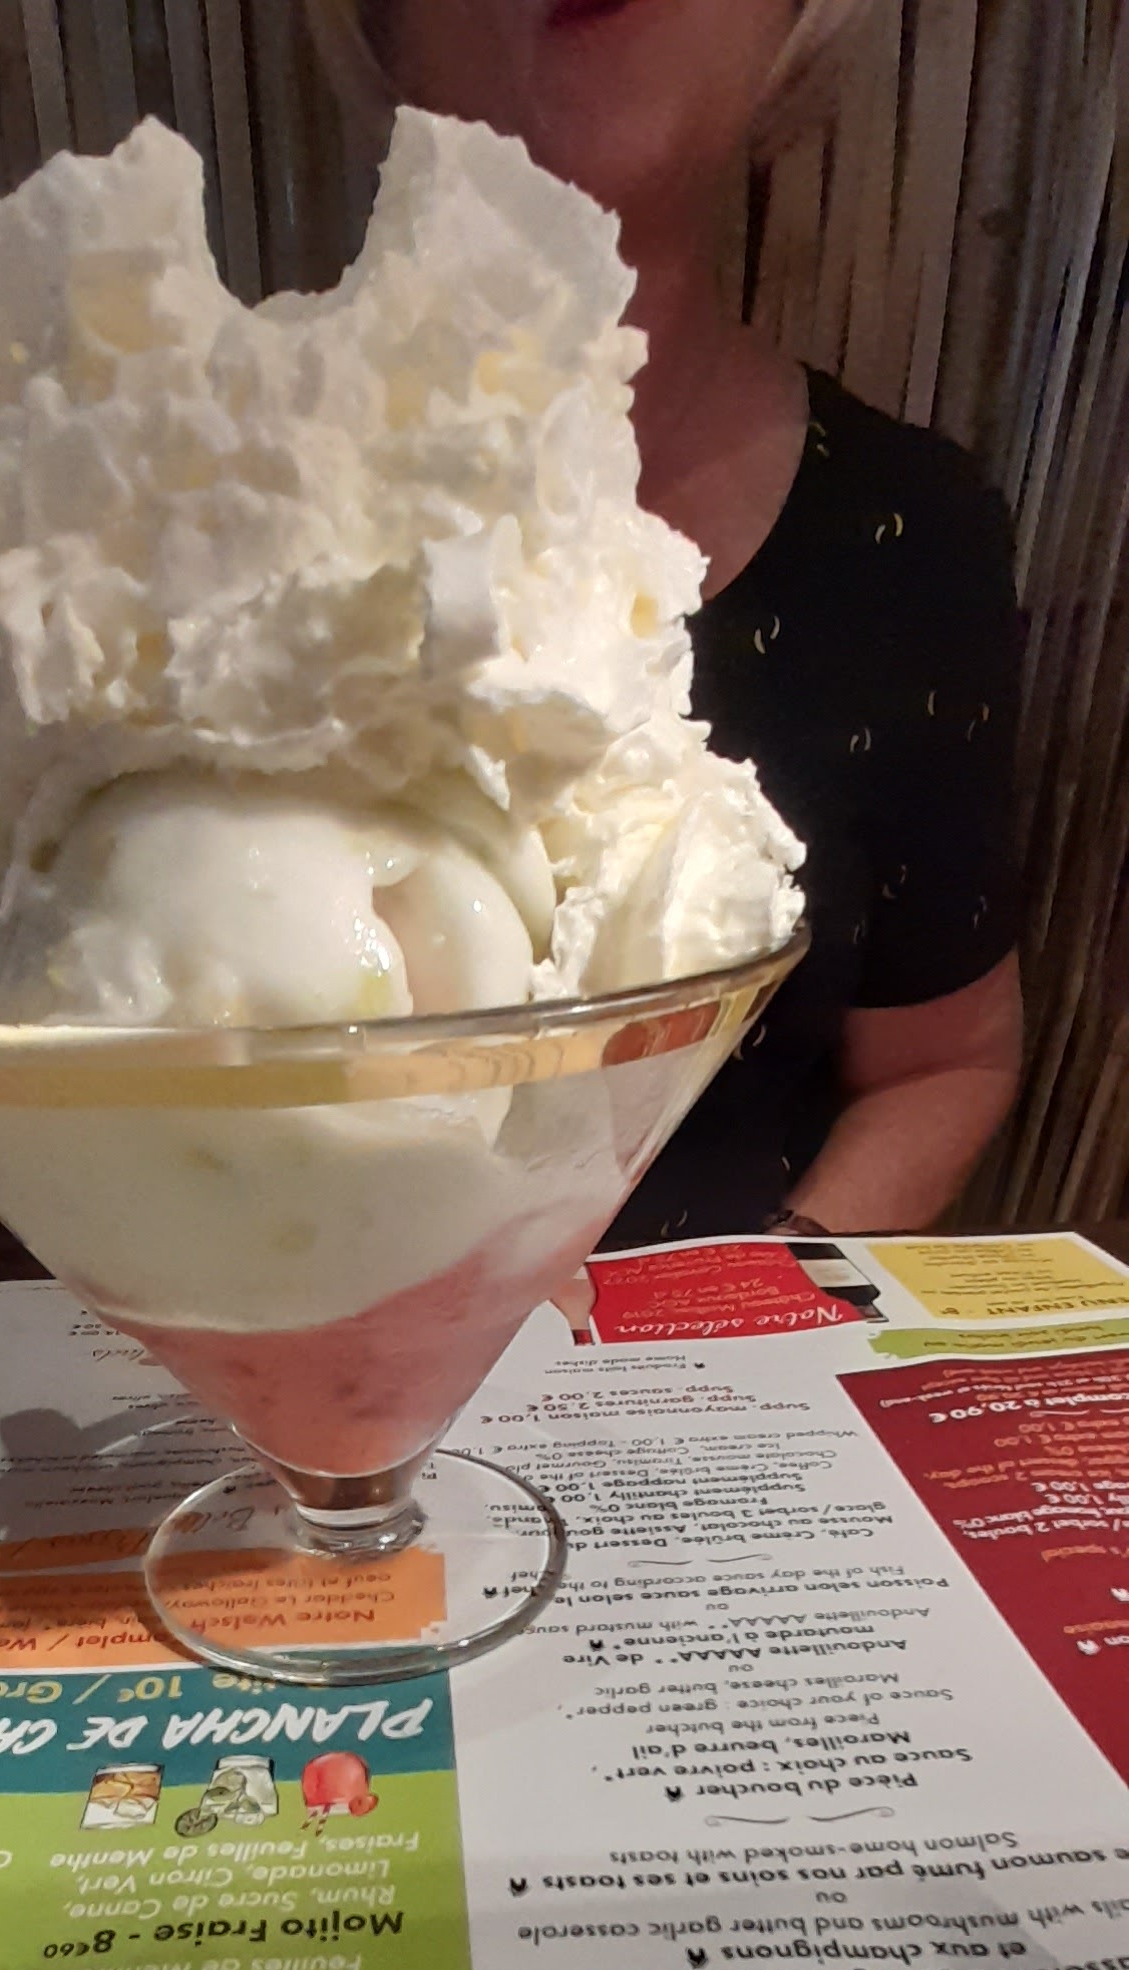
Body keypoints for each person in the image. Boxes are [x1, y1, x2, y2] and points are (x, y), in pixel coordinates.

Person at [305, 0, 1025, 1245]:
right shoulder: (173, 552)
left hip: (730, 1336)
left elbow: (941, 1060)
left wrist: (747, 1308)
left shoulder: (902, 535)